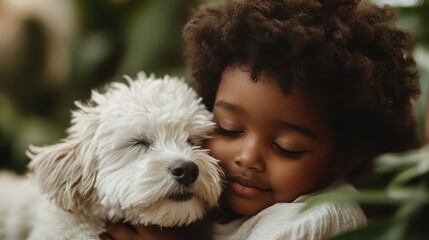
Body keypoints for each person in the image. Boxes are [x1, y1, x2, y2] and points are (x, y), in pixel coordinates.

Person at [101, 0, 421, 239]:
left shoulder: (316, 221)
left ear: (342, 160)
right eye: (228, 128)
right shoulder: (222, 204)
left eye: (286, 147)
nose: (248, 157)